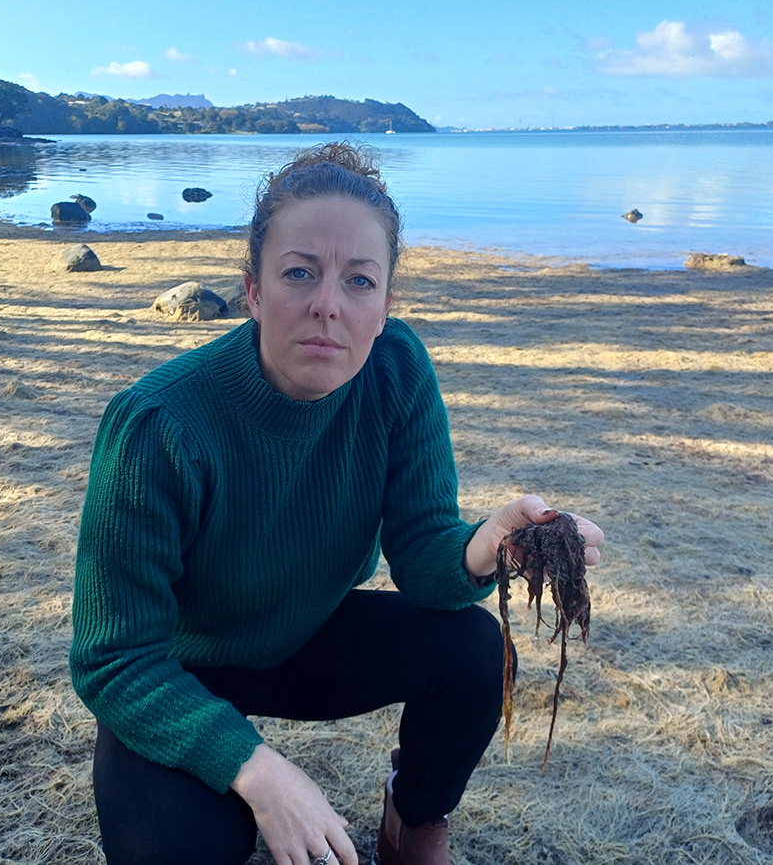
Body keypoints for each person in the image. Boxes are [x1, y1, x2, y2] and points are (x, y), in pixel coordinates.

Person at [70, 142, 604, 865]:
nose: (328, 306)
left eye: (359, 281)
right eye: (299, 273)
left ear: (384, 305)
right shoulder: (158, 426)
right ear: (254, 290)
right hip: (178, 666)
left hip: (306, 635)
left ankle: (411, 825)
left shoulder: (395, 371)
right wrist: (258, 770)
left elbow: (422, 555)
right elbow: (112, 658)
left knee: (475, 650)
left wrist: (489, 545)